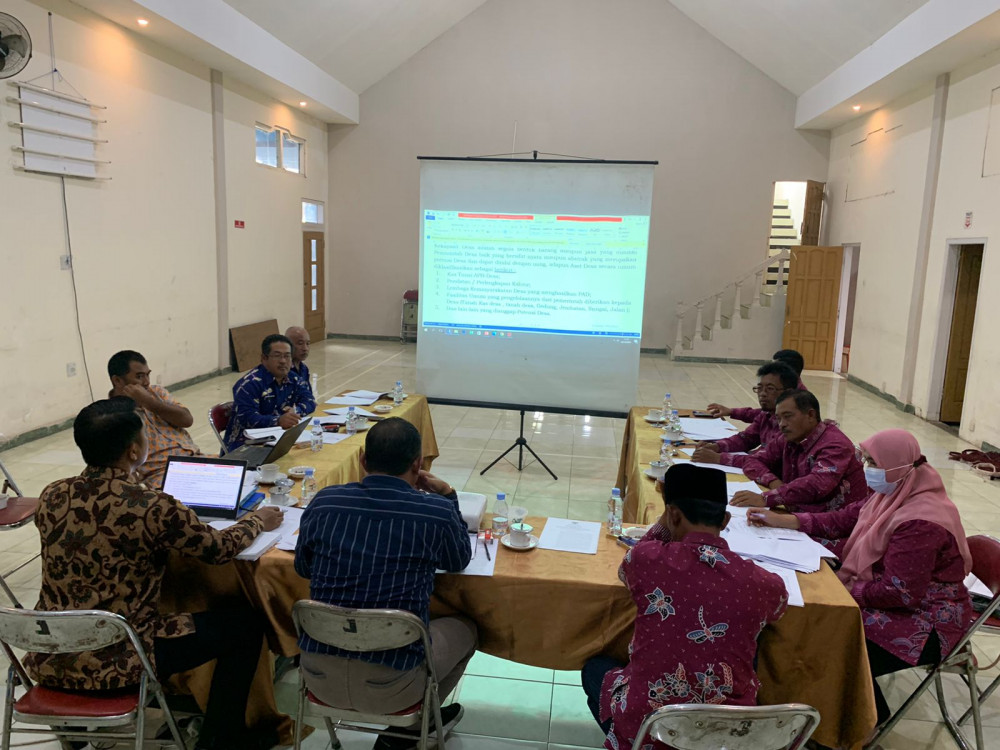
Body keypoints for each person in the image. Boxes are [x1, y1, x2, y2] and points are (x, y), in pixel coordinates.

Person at [25, 398, 283, 750]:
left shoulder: (53, 494)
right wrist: (256, 520)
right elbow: (218, 549)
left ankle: (78, 735)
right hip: (123, 655)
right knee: (245, 625)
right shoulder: (153, 507)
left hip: (51, 651)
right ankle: (221, 739)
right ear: (134, 451)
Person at [747, 429, 973, 726]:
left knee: (826, 640)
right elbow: (844, 518)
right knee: (807, 626)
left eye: (872, 461)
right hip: (892, 597)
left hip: (926, 620)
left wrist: (844, 589)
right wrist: (786, 521)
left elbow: (901, 593)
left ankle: (865, 720)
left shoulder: (920, 522)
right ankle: (819, 717)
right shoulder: (892, 493)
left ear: (898, 466)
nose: (866, 468)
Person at [294, 417, 475, 750]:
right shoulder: (435, 511)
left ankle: (411, 726)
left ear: (362, 460)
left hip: (318, 677)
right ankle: (410, 730)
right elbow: (458, 560)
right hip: (394, 684)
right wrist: (448, 495)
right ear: (418, 464)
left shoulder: (325, 502)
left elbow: (303, 568)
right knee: (466, 628)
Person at [581, 464, 788, 750]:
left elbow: (625, 568)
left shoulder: (647, 560)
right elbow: (778, 608)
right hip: (727, 733)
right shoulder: (763, 583)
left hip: (652, 726)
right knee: (751, 643)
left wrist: (665, 524)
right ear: (726, 520)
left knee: (595, 669)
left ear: (673, 515)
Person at [730, 390, 867, 514]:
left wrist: (766, 498)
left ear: (811, 415)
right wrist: (774, 483)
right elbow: (753, 460)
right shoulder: (790, 437)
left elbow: (816, 485)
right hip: (796, 512)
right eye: (778, 418)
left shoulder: (835, 445)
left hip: (833, 523)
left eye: (788, 416)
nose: (782, 424)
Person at [106, 350, 203, 489]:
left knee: (240, 476)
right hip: (162, 476)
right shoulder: (113, 414)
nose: (146, 382)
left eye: (148, 375)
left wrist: (150, 403)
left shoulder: (157, 393)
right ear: (117, 380)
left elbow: (187, 420)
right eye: (139, 376)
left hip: (197, 460)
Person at [695, 361, 799, 468]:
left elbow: (764, 459)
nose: (762, 394)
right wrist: (716, 446)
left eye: (770, 389)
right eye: (759, 388)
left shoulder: (791, 424)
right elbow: (746, 439)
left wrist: (718, 458)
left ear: (788, 392)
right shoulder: (766, 414)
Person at [223, 333, 316, 452]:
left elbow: (309, 401)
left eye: (287, 356)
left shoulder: (293, 379)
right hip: (245, 446)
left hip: (279, 439)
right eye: (277, 356)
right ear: (264, 358)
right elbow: (248, 418)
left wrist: (294, 412)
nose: (283, 361)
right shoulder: (249, 384)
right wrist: (277, 421)